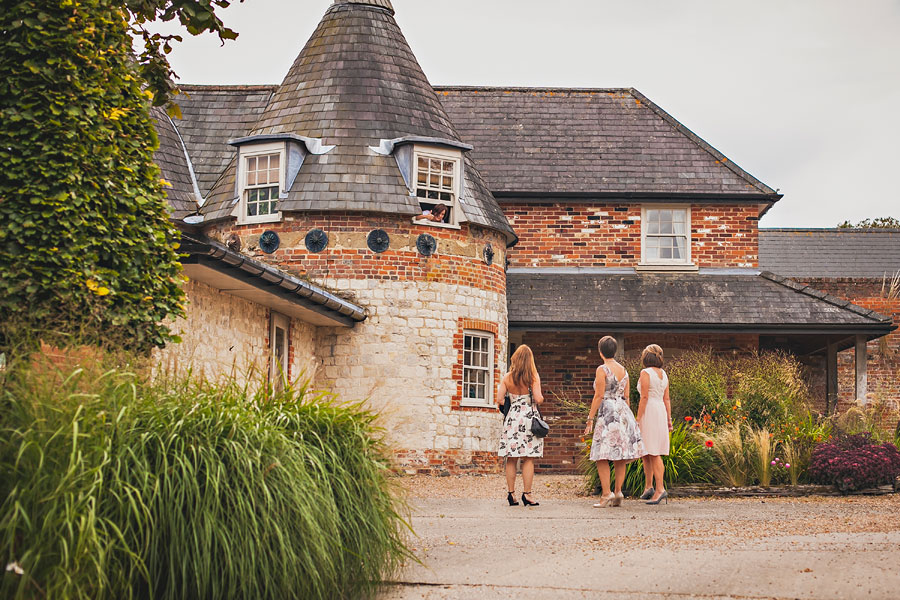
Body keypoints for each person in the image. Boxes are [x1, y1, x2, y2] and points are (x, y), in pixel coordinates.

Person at [583, 336, 644, 508]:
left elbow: (599, 395)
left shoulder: (602, 369)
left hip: (608, 412)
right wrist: (628, 419)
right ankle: (618, 491)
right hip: (623, 411)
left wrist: (590, 418)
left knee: (601, 454)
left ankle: (606, 494)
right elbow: (627, 396)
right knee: (620, 454)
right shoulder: (623, 370)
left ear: (600, 351)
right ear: (614, 351)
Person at [497, 344, 544, 507]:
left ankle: (511, 494)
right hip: (529, 419)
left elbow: (500, 399)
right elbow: (538, 399)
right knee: (528, 458)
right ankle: (527, 494)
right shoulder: (533, 376)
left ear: (515, 359)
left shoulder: (507, 377)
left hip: (512, 418)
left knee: (511, 458)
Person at [636, 344, 673, 505]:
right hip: (660, 410)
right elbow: (667, 399)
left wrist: (638, 419)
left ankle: (660, 489)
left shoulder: (645, 373)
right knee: (646, 451)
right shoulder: (664, 374)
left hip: (649, 410)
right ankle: (648, 486)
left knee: (654, 451)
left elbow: (644, 398)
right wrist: (669, 419)